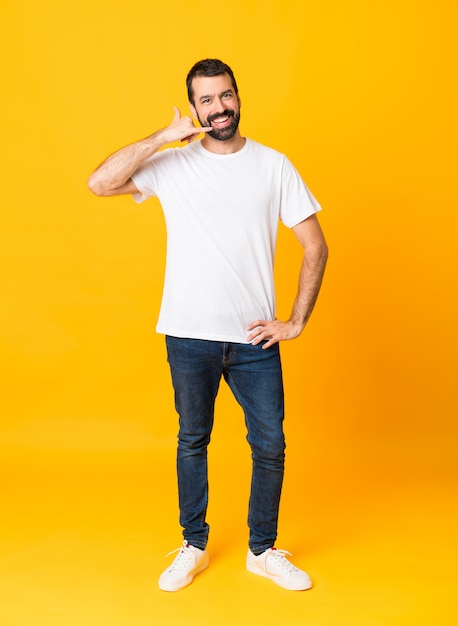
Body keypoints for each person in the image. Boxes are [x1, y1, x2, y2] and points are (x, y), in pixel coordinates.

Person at [88, 58, 328, 592]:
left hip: (254, 340)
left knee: (270, 446)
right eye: (206, 100)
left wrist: (295, 322)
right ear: (194, 108)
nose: (218, 108)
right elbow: (100, 183)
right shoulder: (174, 165)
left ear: (238, 97)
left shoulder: (274, 165)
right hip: (188, 335)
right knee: (191, 439)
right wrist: (162, 137)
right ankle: (193, 544)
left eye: (225, 96)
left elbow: (315, 244)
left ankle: (262, 550)